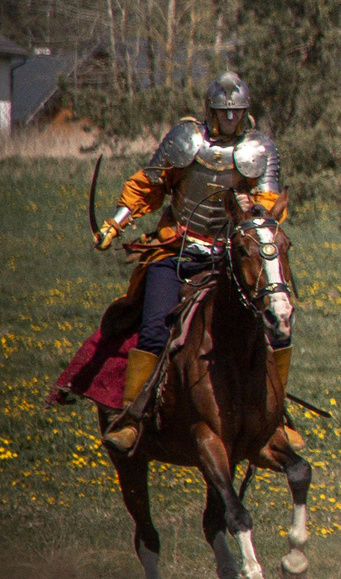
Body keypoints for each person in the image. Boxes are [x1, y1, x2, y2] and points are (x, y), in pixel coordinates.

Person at [96, 71, 296, 453]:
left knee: (274, 329)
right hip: (175, 252)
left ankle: (273, 422)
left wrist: (251, 212)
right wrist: (115, 223)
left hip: (230, 259)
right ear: (211, 111)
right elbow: (148, 185)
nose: (232, 120)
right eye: (225, 112)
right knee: (154, 330)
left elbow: (269, 205)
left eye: (238, 113)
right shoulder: (185, 140)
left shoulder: (260, 150)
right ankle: (133, 420)